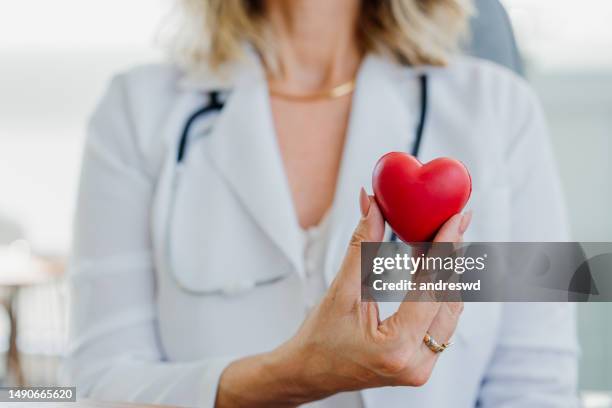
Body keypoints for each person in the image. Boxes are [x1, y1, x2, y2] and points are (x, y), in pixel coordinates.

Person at [63, 0, 578, 406]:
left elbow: (538, 385)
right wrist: (288, 377)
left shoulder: (501, 110)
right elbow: (98, 385)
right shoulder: (135, 110)